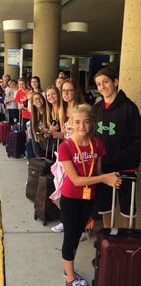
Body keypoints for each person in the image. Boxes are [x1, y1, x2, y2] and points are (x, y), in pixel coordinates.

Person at [58, 103, 122, 286]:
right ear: (70, 123)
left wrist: (108, 177)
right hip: (70, 197)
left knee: (77, 234)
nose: (82, 126)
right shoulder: (66, 147)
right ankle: (70, 279)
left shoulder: (98, 144)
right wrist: (104, 178)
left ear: (92, 122)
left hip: (88, 197)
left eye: (86, 122)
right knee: (70, 237)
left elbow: (98, 171)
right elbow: (77, 180)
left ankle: (68, 267)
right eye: (77, 122)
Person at [93, 66, 141, 228]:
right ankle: (108, 246)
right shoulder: (97, 109)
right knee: (105, 208)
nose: (102, 87)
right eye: (98, 84)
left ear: (115, 82)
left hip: (125, 168)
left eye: (105, 82)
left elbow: (137, 140)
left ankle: (127, 246)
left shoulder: (129, 108)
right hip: (103, 168)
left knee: (127, 211)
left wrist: (120, 155)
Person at [51, 78, 85, 233]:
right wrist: (53, 133)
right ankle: (66, 221)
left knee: (77, 191)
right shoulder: (61, 110)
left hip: (79, 154)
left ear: (75, 91)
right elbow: (64, 134)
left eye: (69, 90)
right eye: (63, 90)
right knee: (61, 188)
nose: (65, 93)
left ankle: (81, 227)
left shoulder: (82, 109)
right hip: (64, 153)